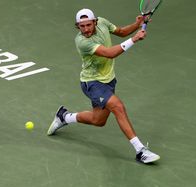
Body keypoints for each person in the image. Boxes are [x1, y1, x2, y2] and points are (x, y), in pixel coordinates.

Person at [47, 8, 160, 163]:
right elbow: (109, 53)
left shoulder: (103, 23)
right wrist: (134, 39)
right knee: (118, 106)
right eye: (82, 26)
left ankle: (64, 117)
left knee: (98, 120)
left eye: (88, 25)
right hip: (92, 83)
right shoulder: (82, 42)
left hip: (109, 80)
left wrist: (137, 24)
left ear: (95, 22)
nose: (86, 29)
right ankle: (140, 151)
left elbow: (120, 32)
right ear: (78, 26)